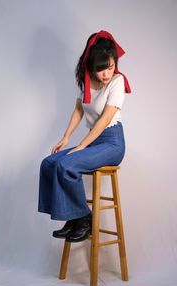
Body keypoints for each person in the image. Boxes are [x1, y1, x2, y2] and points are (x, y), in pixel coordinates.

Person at [38, 30, 131, 243]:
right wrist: (66, 137)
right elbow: (79, 110)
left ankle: (84, 219)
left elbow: (105, 119)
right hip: (94, 142)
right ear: (91, 66)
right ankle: (72, 218)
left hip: (112, 143)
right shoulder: (86, 82)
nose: (107, 73)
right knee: (49, 163)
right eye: (102, 69)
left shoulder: (117, 82)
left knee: (66, 165)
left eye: (111, 66)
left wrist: (82, 145)